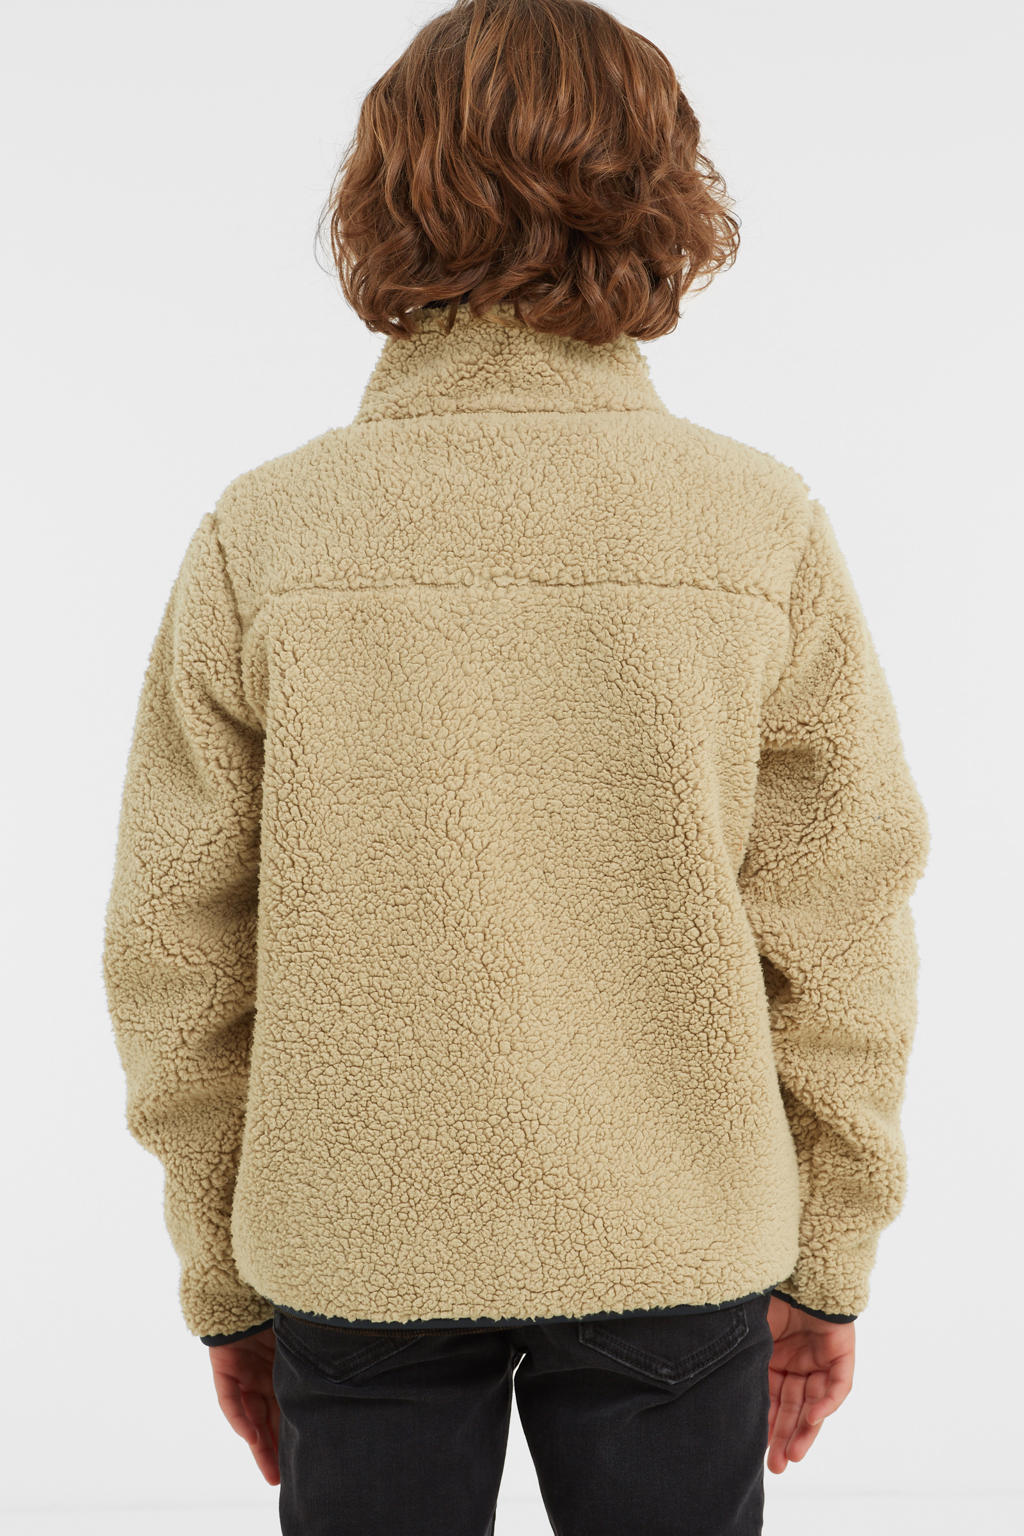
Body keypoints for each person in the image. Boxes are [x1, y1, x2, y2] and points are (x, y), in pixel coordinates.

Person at [101, 2, 930, 1532]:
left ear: (380, 202)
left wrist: (226, 1281)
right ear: (668, 205)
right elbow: (842, 927)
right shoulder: (757, 528)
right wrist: (830, 1257)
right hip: (678, 1236)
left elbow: (175, 950)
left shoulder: (267, 535)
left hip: (357, 1244)